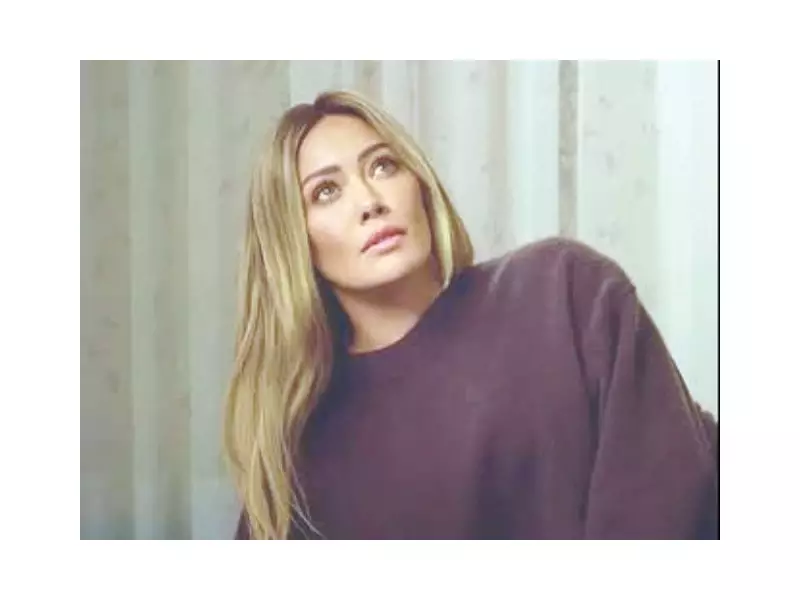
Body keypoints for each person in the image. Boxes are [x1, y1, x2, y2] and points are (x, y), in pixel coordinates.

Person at [224, 90, 719, 540]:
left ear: (419, 184)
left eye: (383, 166)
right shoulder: (301, 456)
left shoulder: (561, 292)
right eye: (326, 192)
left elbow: (673, 488)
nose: (370, 202)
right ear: (293, 241)